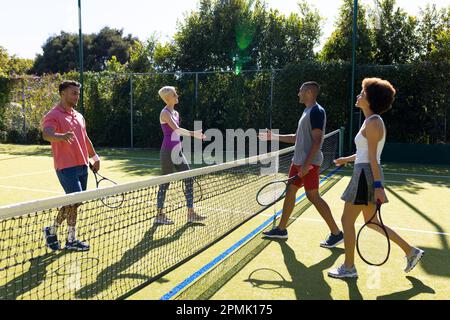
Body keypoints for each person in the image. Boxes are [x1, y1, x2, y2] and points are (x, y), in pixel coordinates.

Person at [328, 78, 424, 279]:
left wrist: (379, 186)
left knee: (347, 220)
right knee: (371, 223)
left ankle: (349, 267)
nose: (358, 96)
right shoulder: (370, 121)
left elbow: (373, 158)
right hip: (363, 171)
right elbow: (365, 152)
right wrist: (346, 159)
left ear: (371, 99)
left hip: (365, 175)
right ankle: (411, 251)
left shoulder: (373, 123)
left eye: (362, 93)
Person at [259, 81, 344, 248]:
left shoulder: (317, 112)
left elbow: (318, 139)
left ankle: (336, 233)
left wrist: (306, 164)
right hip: (297, 161)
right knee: (290, 191)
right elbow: (296, 138)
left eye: (301, 91)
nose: (298, 94)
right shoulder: (306, 111)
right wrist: (273, 137)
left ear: (310, 92)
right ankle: (282, 229)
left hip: (308, 163)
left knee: (313, 196)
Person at [41, 80, 100, 252]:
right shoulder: (53, 115)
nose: (77, 96)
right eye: (73, 93)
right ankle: (71, 240)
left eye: (78, 93)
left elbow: (85, 138)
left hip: (83, 165)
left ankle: (51, 230)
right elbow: (47, 134)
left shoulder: (79, 116)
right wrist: (60, 136)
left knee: (76, 201)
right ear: (63, 94)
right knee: (74, 201)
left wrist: (95, 157)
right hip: (66, 166)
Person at [155, 86, 206, 225]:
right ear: (167, 98)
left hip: (178, 152)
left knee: (188, 178)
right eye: (174, 94)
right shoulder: (164, 113)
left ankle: (190, 214)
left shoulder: (176, 113)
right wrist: (194, 134)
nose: (177, 95)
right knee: (165, 183)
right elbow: (176, 130)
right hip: (167, 152)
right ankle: (159, 215)